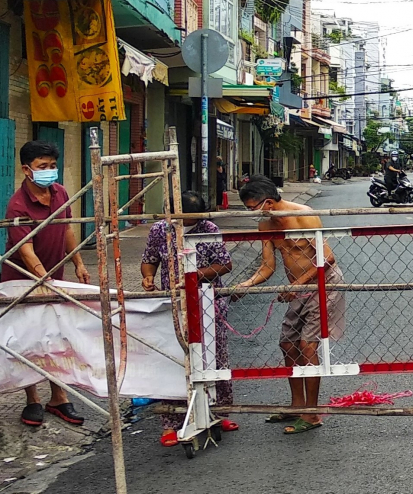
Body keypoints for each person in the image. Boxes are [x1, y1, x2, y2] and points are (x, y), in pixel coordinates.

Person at [234, 175, 346, 434]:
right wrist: (246, 285)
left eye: (254, 208)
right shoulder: (266, 226)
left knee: (308, 346)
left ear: (269, 202)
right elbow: (267, 266)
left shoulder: (304, 215)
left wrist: (296, 286)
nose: (253, 214)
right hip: (298, 289)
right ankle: (297, 405)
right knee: (287, 343)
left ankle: (311, 413)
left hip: (323, 283)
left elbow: (327, 259)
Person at [141, 190, 239, 447]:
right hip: (174, 304)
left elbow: (225, 265)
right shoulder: (159, 230)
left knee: (214, 356)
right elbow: (149, 260)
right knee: (175, 359)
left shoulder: (209, 229)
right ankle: (172, 422)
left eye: (190, 220)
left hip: (208, 303)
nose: (184, 224)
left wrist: (193, 277)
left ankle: (219, 413)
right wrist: (149, 277)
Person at [4, 141, 91, 427]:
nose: (50, 172)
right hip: (23, 280)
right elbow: (25, 249)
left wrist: (78, 264)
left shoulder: (60, 193)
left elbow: (67, 229)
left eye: (52, 166)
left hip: (55, 275)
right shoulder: (18, 205)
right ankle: (32, 399)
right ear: (26, 170)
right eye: (43, 167)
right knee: (27, 339)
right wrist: (43, 277)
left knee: (56, 336)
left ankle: (59, 397)